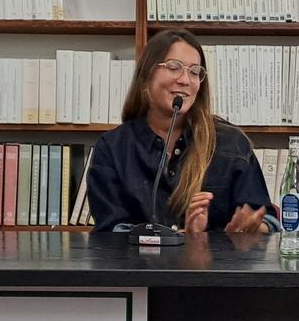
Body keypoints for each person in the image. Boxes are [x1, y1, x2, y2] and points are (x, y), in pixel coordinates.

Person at [87, 29, 278, 234]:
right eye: (174, 67)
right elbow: (111, 231)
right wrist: (175, 239)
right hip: (141, 265)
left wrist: (250, 229)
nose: (185, 80)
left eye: (195, 72)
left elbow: (266, 218)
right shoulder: (113, 147)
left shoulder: (231, 143)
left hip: (215, 264)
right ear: (146, 74)